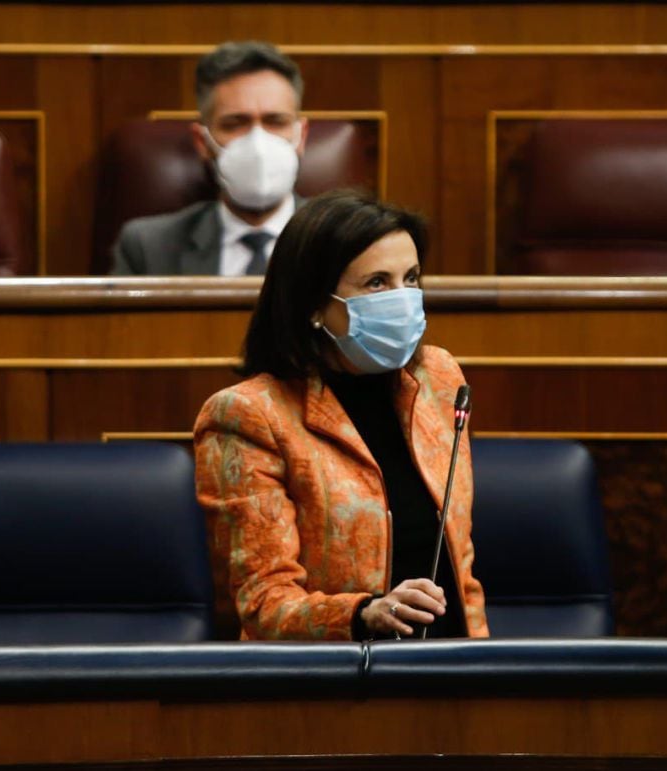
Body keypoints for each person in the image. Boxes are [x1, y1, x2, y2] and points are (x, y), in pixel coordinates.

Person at [193, 191, 489, 641]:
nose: (403, 298)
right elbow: (264, 604)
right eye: (376, 283)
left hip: (454, 666)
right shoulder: (249, 416)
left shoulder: (437, 378)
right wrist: (364, 613)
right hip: (331, 682)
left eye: (411, 278)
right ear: (314, 304)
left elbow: (460, 567)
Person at [111, 41, 307, 276]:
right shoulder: (148, 248)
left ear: (301, 135)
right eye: (234, 124)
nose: (258, 143)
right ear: (202, 141)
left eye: (275, 122)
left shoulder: (348, 243)